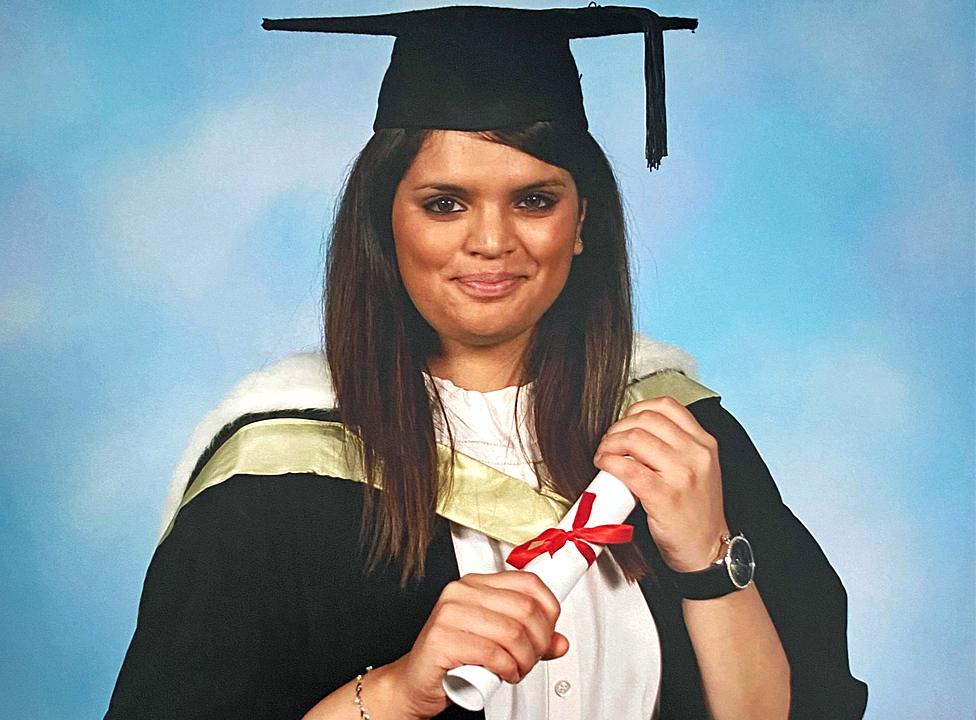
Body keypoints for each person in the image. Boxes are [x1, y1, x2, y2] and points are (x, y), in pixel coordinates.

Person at [105, 5, 868, 719]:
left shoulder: (674, 431)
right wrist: (402, 688)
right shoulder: (278, 465)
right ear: (384, 224)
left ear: (581, 225)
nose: (493, 241)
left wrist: (707, 560)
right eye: (445, 203)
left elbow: (808, 706)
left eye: (535, 200)